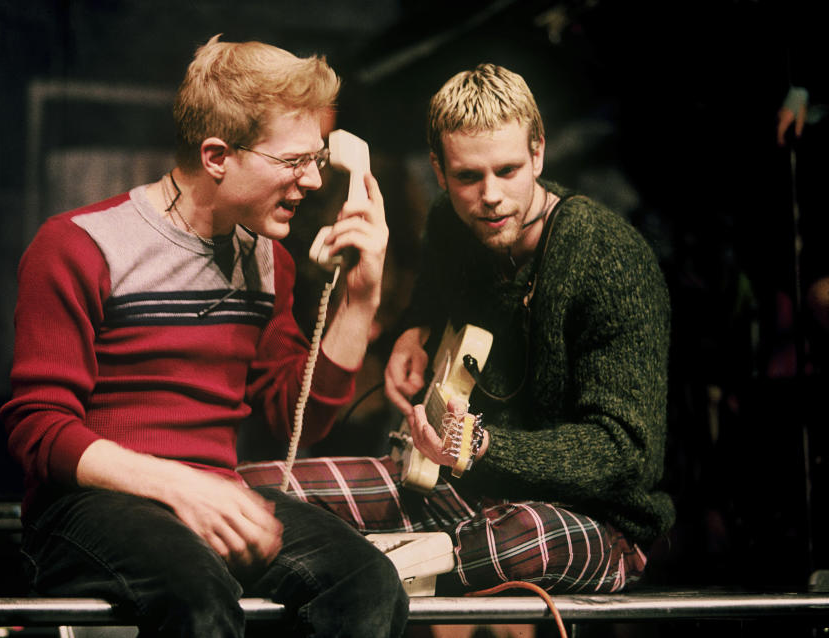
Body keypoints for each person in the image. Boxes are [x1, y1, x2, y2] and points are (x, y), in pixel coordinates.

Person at [0, 35, 407, 637]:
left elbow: (297, 419)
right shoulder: (77, 247)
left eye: (318, 158)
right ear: (217, 156)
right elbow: (39, 426)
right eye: (295, 161)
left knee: (368, 584)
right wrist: (178, 484)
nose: (315, 181)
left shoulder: (270, 261)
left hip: (212, 493)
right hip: (88, 507)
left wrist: (362, 300)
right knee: (197, 595)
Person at [240, 63, 674, 595]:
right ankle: (387, 566)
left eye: (508, 170)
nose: (489, 195)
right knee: (252, 492)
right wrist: (413, 329)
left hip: (591, 522)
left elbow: (625, 451)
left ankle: (361, 571)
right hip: (459, 491)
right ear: (440, 171)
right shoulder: (452, 222)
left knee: (521, 538)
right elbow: (432, 298)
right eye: (468, 177)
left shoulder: (608, 256)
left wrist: (486, 447)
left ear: (538, 153)